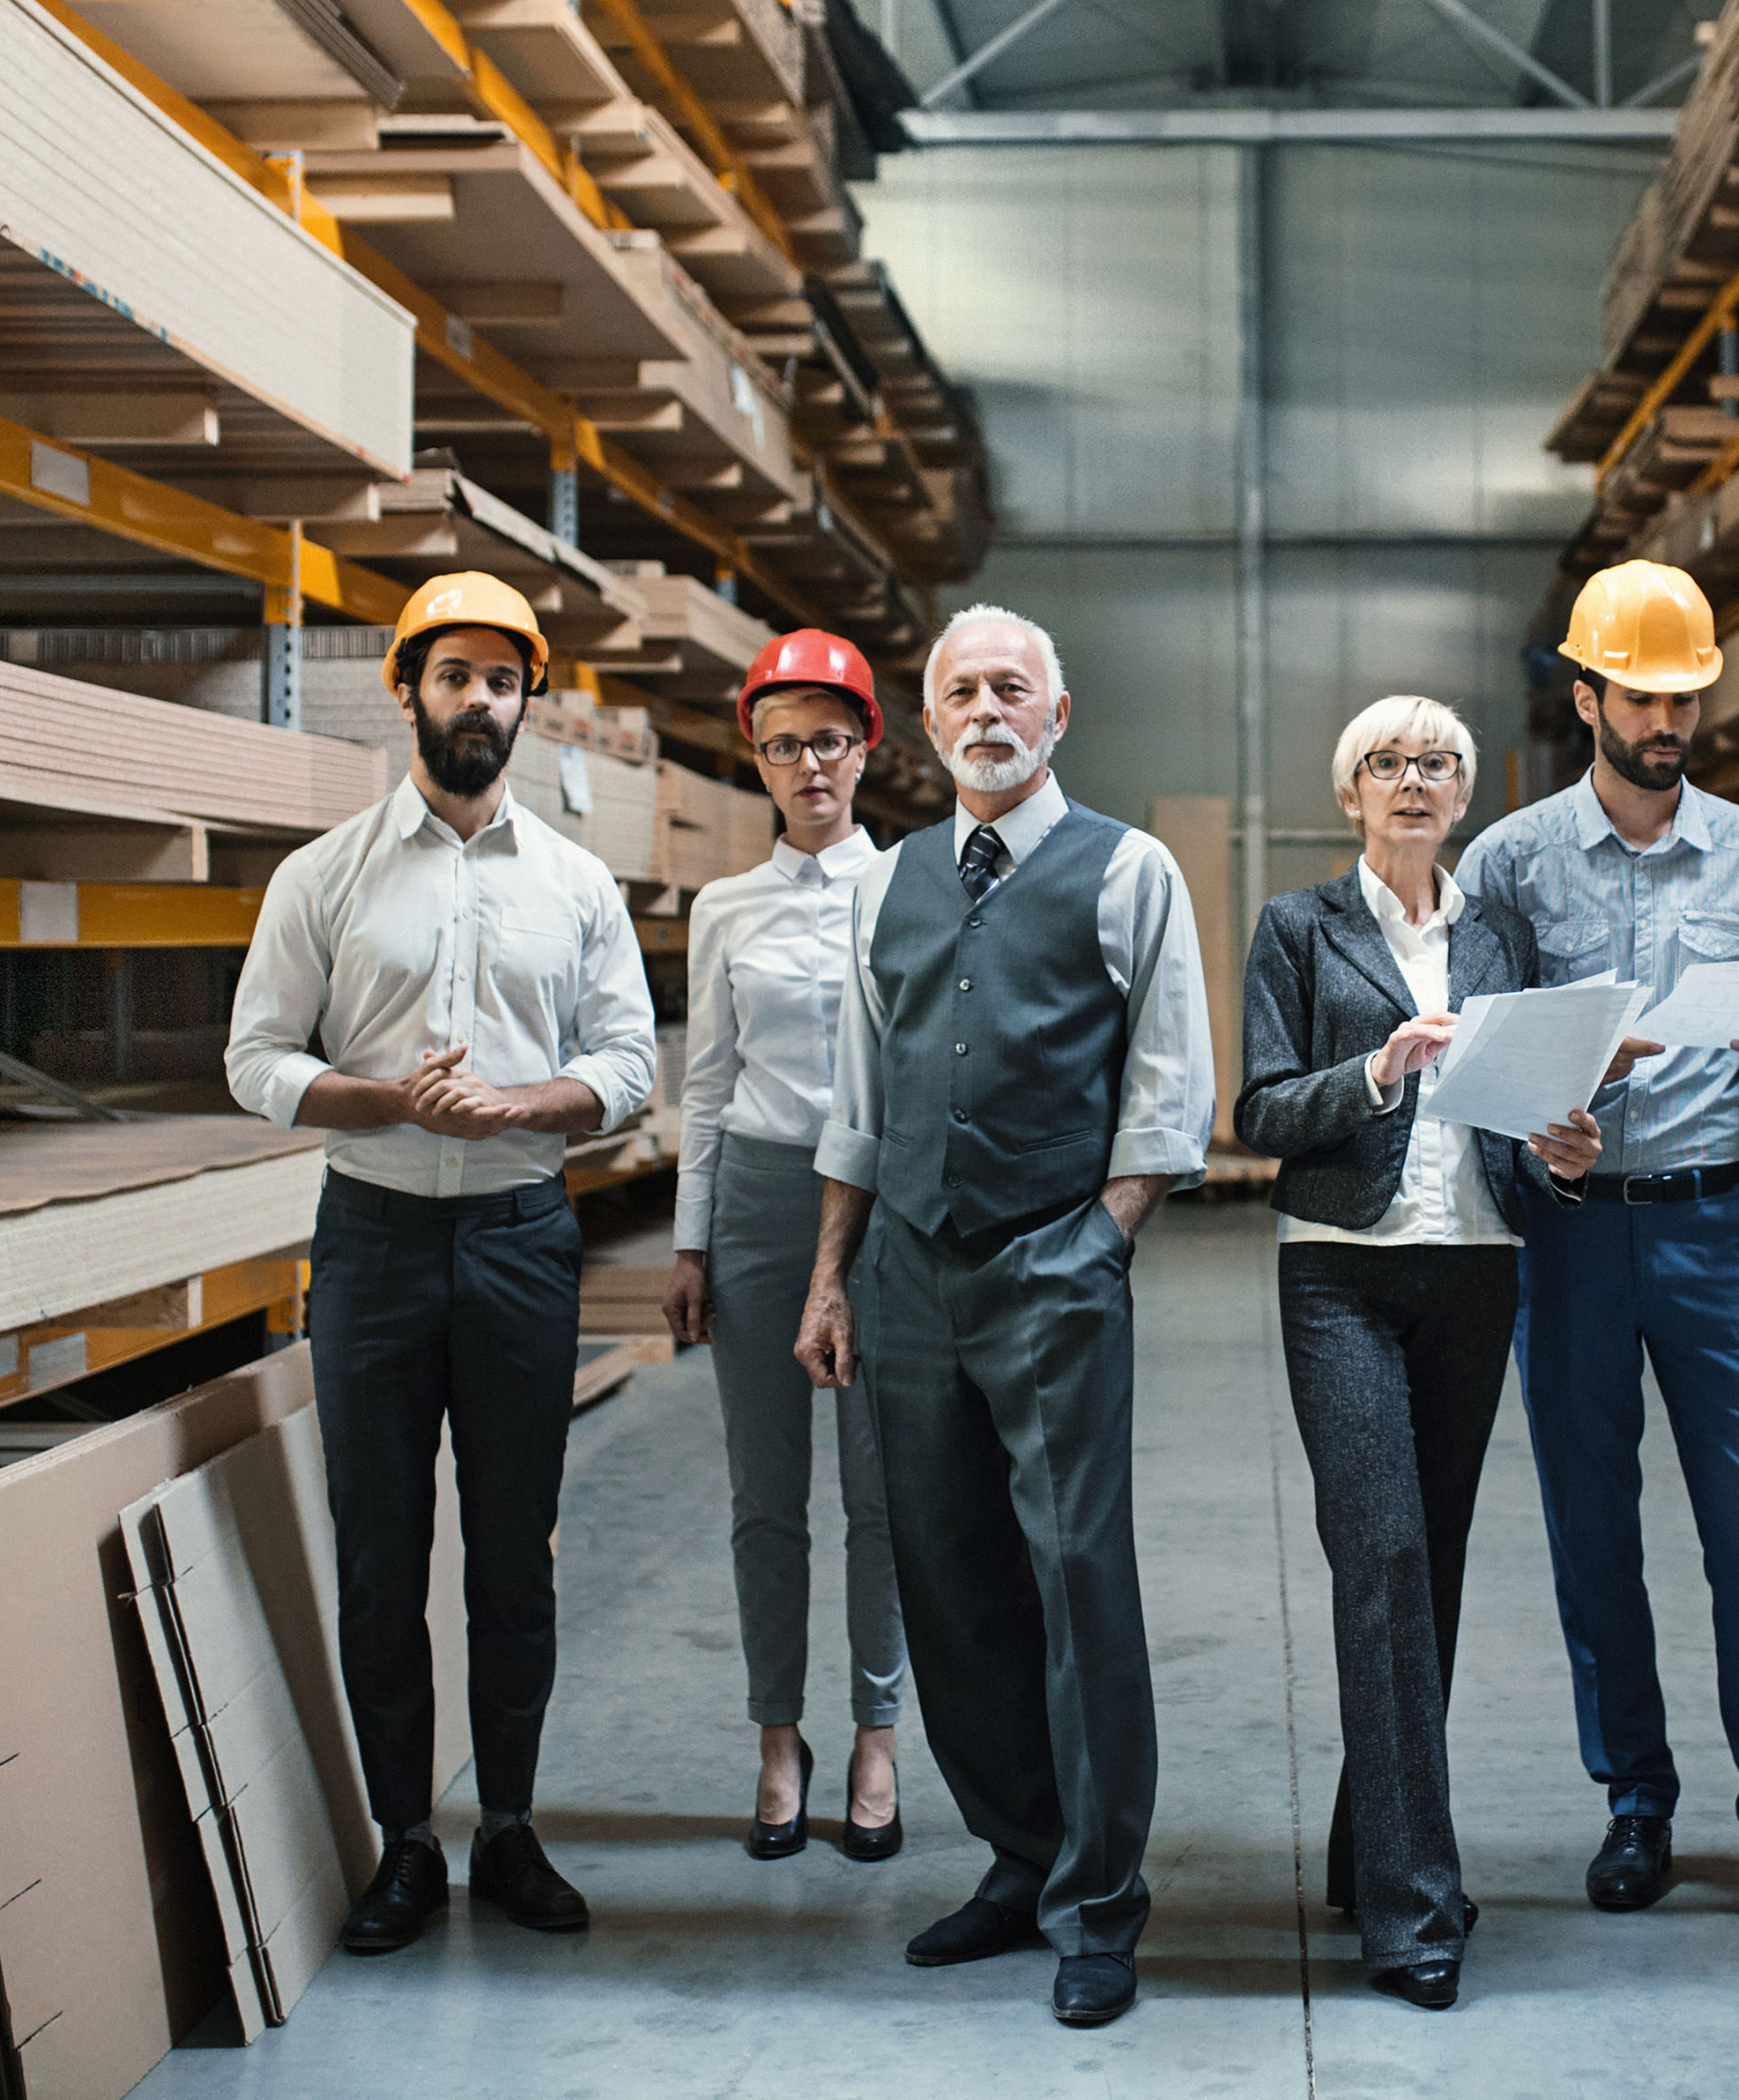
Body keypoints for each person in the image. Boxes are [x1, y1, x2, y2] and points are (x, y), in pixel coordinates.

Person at [789, 603, 1215, 2029]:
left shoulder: (1129, 868)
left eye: (1011, 688)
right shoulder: (887, 878)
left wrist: (1103, 1241)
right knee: (951, 1580)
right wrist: (833, 1272)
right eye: (961, 689)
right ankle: (1020, 1860)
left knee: (1077, 1577)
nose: (987, 708)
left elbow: (1170, 1091)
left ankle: (1099, 1901)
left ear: (1058, 712)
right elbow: (858, 1098)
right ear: (929, 723)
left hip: (1053, 1262)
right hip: (905, 1270)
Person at [224, 570, 660, 1952]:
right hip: (375, 1239)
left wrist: (523, 1107)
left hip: (525, 1238)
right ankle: (405, 1843)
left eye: (505, 681)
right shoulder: (325, 874)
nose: (481, 701)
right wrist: (382, 1100)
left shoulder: (577, 884)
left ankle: (514, 1832)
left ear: (531, 703)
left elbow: (632, 1065)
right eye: (456, 675)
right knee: (379, 1551)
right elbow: (256, 1061)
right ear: (406, 688)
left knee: (512, 1556)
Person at [1458, 559, 1739, 1952]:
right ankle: (1635, 1799)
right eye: (1643, 695)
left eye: (1686, 695)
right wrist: (1531, 1142)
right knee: (1593, 1537)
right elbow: (1480, 1071)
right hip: (1570, 1240)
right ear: (1588, 699)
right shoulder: (1508, 862)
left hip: (1712, 1227)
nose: (1668, 719)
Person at [1234, 695, 1609, 2012]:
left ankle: (1364, 1843)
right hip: (1339, 1268)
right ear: (1350, 794)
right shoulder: (1300, 927)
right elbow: (1261, 1109)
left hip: (1476, 1269)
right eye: (1385, 763)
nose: (1412, 781)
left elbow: (1525, 1114)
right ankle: (1412, 1906)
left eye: (1436, 764)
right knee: (1381, 1551)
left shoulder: (1500, 934)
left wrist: (1563, 1159)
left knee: (1427, 1568)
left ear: (1464, 796)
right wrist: (1379, 1073)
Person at [665, 630, 909, 1864]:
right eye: (781, 744)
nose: (807, 763)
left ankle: (875, 1730)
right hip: (759, 1203)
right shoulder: (724, 907)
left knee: (877, 1490)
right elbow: (706, 1087)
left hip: (875, 1207)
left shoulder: (912, 888)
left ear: (867, 749)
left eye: (829, 738)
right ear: (755, 760)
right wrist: (691, 1243)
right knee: (767, 1496)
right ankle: (777, 1734)